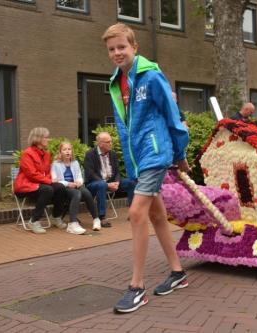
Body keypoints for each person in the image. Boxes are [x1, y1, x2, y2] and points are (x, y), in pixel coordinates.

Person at [102, 23, 190, 313]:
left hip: (155, 153)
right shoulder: (117, 83)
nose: (117, 53)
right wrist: (130, 162)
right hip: (138, 158)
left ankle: (136, 287)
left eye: (121, 47)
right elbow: (125, 128)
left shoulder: (151, 76)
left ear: (134, 47)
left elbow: (172, 115)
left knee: (136, 213)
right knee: (157, 215)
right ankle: (177, 272)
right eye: (112, 49)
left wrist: (179, 153)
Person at [13, 128, 68, 234]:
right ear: (38, 139)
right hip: (25, 186)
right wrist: (49, 181)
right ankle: (34, 221)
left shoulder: (46, 154)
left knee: (60, 187)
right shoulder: (27, 153)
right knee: (48, 189)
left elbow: (47, 172)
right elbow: (31, 174)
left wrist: (49, 180)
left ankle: (55, 217)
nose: (49, 139)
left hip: (39, 184)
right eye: (46, 137)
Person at [84, 132, 135, 227]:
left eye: (111, 141)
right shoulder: (90, 154)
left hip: (111, 182)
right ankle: (102, 217)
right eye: (108, 142)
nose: (111, 143)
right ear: (100, 144)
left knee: (131, 182)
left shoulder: (113, 154)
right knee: (101, 185)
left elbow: (117, 172)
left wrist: (117, 182)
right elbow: (90, 174)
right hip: (94, 184)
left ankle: (133, 213)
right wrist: (106, 184)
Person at [51, 142, 102, 234]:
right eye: (64, 150)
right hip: (64, 188)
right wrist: (68, 183)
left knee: (86, 193)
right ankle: (72, 224)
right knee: (77, 193)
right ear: (60, 152)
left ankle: (96, 219)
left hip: (75, 185)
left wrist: (79, 182)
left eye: (69, 149)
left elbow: (79, 176)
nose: (67, 152)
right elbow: (54, 180)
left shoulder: (75, 163)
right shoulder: (55, 164)